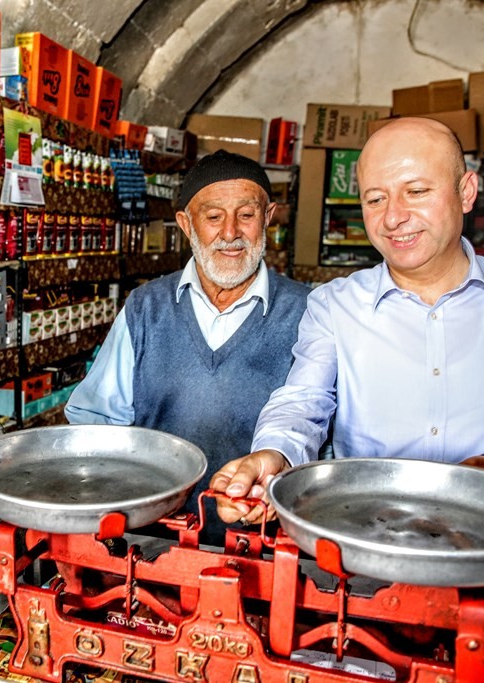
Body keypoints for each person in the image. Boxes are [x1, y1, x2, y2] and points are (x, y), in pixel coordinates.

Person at [213, 117, 484, 525]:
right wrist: (274, 454)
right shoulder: (335, 305)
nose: (392, 218)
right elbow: (302, 403)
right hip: (368, 543)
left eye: (417, 191)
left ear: (466, 192)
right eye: (375, 199)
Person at [65, 149, 311, 542]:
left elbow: (322, 439)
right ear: (185, 223)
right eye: (213, 217)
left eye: (246, 215)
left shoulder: (308, 313)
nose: (230, 233)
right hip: (152, 543)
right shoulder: (146, 308)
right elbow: (96, 424)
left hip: (267, 548)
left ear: (267, 217)